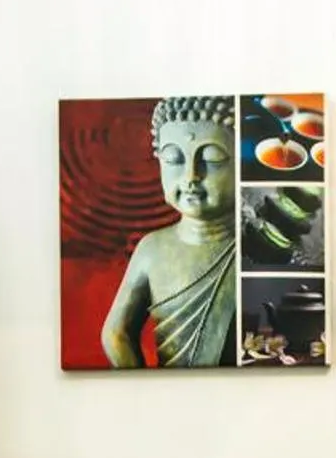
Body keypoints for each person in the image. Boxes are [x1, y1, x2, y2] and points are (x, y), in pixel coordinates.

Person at [101, 96, 240, 367]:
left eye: (211, 159)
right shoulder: (152, 248)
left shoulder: (255, 244)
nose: (190, 176)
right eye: (173, 159)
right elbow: (116, 334)